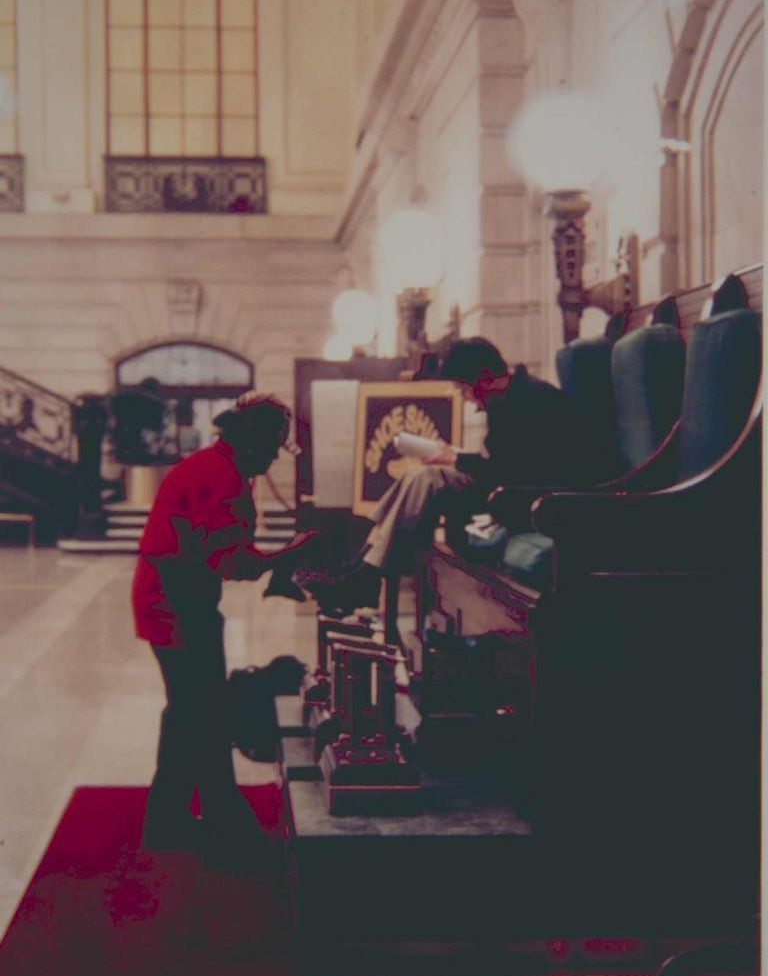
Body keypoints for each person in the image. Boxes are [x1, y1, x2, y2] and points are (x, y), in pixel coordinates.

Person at [131, 392, 315, 857]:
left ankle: (181, 818)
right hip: (177, 608)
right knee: (199, 714)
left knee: (192, 713)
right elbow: (231, 564)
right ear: (253, 441)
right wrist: (291, 553)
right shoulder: (223, 478)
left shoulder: (216, 466)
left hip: (175, 602)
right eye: (274, 446)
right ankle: (207, 821)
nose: (276, 456)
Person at [309, 338, 588, 614]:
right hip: (508, 486)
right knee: (420, 476)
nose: (466, 399)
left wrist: (455, 458)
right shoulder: (510, 397)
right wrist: (457, 457)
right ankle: (361, 571)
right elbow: (506, 462)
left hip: (529, 496)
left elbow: (515, 469)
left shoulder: (532, 399)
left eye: (463, 389)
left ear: (483, 378)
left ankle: (363, 575)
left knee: (428, 479)